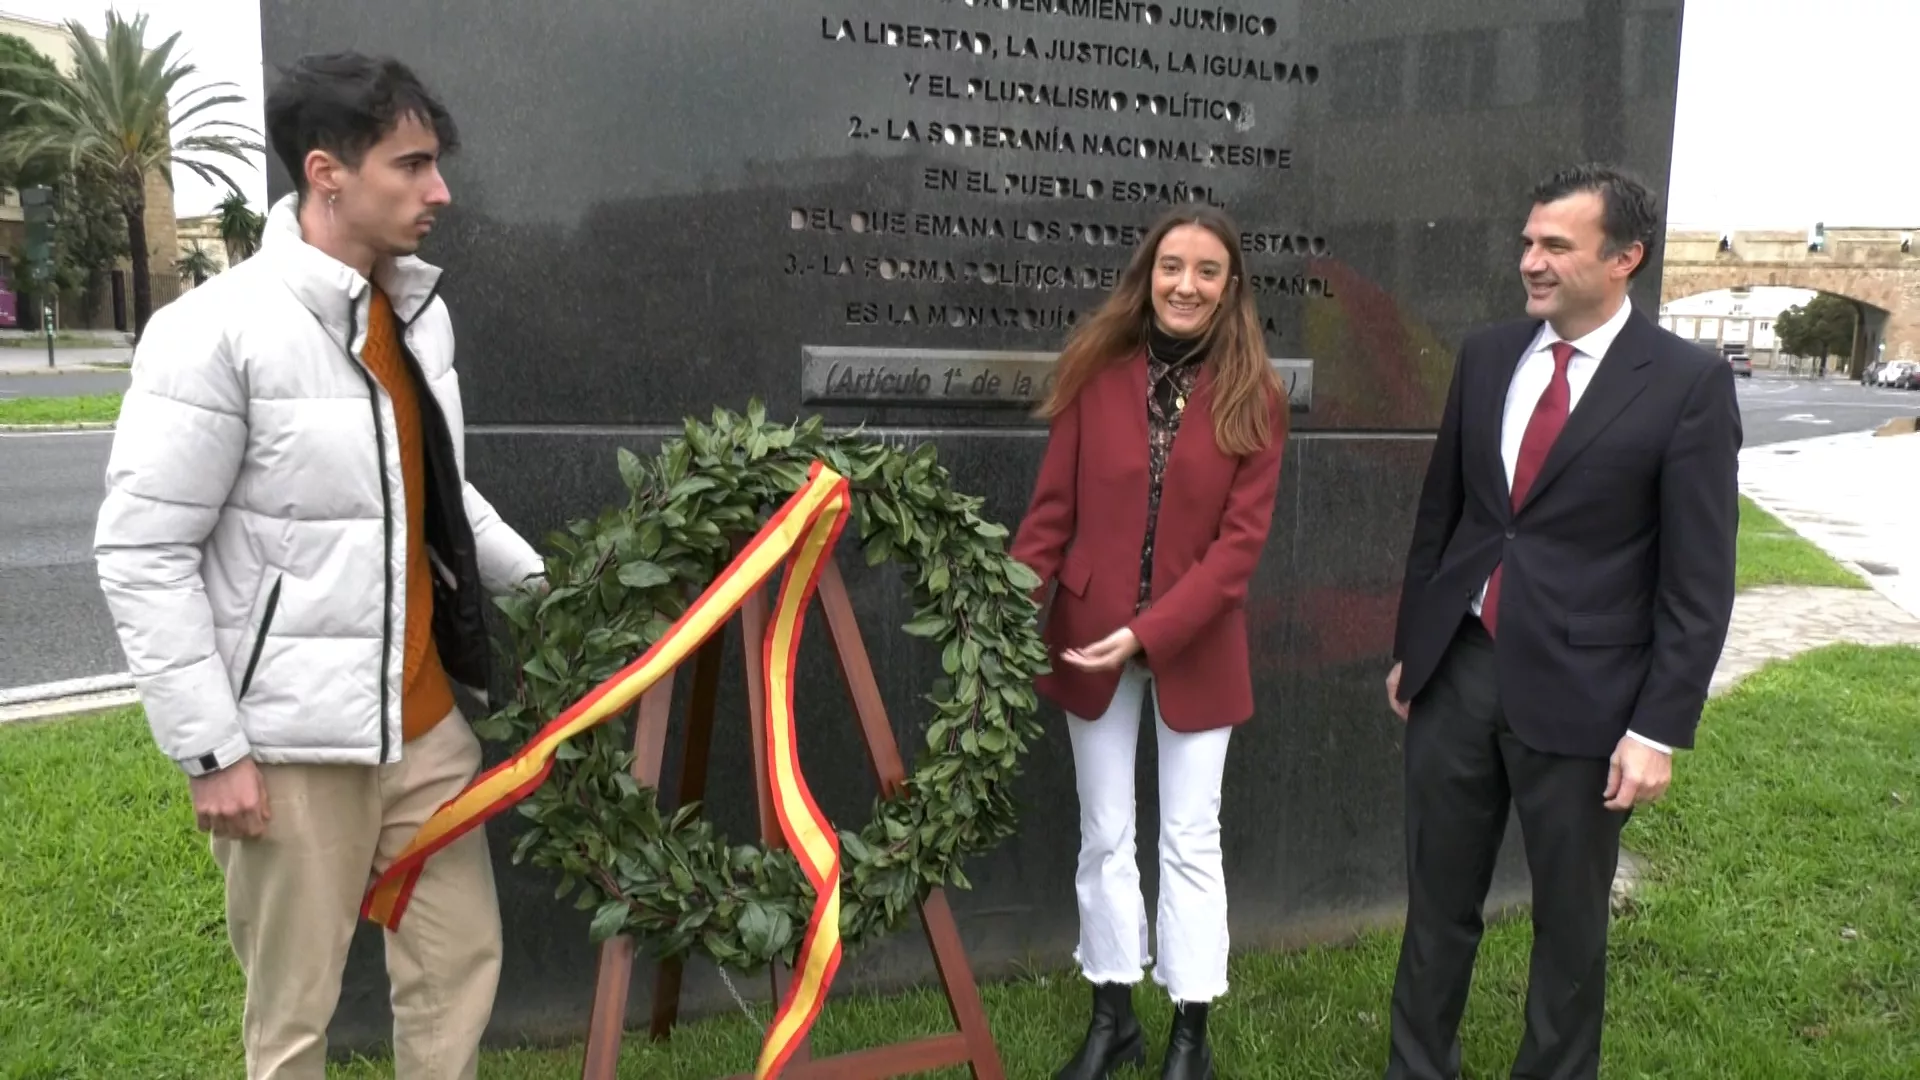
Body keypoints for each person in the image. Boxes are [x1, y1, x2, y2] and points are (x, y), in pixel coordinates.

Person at [93, 53, 544, 1079]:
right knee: (294, 1021)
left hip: (426, 731)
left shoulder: (418, 317)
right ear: (326, 171)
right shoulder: (212, 331)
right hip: (294, 748)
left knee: (459, 965)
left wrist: (556, 592)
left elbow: (441, 496)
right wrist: (212, 752)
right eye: (414, 165)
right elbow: (143, 551)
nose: (442, 193)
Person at [1381, 164, 1740, 1080]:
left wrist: (1657, 727)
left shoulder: (1687, 384)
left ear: (1625, 259)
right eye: (1528, 241)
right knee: (1437, 907)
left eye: (1555, 246)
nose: (1529, 261)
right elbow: (1446, 516)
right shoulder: (1489, 353)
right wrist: (1414, 647)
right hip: (1460, 669)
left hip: (1589, 697)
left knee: (1570, 928)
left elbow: (1698, 580)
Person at [1011, 205, 1287, 1080]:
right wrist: (1005, 608)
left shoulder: (1257, 397)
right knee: (1104, 835)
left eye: (1208, 270)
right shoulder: (1096, 373)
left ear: (1230, 287)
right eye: (1173, 266)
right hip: (1086, 638)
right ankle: (1112, 1015)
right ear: (1148, 273)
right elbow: (1051, 515)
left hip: (1195, 647)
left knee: (1189, 841)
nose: (1187, 285)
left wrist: (1147, 631)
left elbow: (1238, 554)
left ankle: (1189, 1036)